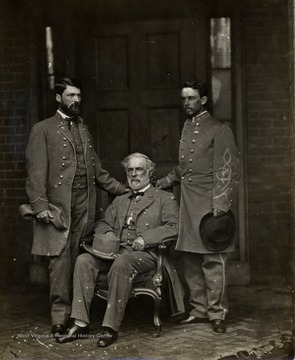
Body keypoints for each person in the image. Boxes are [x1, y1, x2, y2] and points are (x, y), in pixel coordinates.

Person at [24, 77, 127, 338]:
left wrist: (124, 190)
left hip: (85, 204)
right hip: (59, 206)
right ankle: (59, 317)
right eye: (71, 96)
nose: (76, 100)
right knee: (59, 261)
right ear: (58, 98)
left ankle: (78, 317)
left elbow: (99, 172)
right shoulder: (43, 129)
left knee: (82, 259)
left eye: (78, 95)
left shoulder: (83, 129)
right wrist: (40, 206)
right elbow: (35, 172)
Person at [56, 152, 185, 347]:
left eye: (139, 169)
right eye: (130, 170)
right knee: (84, 261)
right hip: (115, 254)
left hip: (146, 255)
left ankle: (109, 328)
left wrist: (146, 238)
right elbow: (102, 222)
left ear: (149, 173)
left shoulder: (164, 198)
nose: (134, 174)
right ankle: (80, 323)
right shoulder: (120, 200)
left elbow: (174, 227)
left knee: (122, 262)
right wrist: (107, 233)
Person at [156, 80, 240, 333]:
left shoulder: (218, 130)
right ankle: (199, 310)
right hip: (188, 203)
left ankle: (217, 313)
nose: (186, 103)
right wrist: (163, 182)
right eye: (184, 98)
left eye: (191, 98)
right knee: (191, 259)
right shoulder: (187, 127)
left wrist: (221, 205)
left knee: (213, 260)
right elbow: (185, 169)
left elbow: (227, 169)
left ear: (203, 100)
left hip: (210, 204)